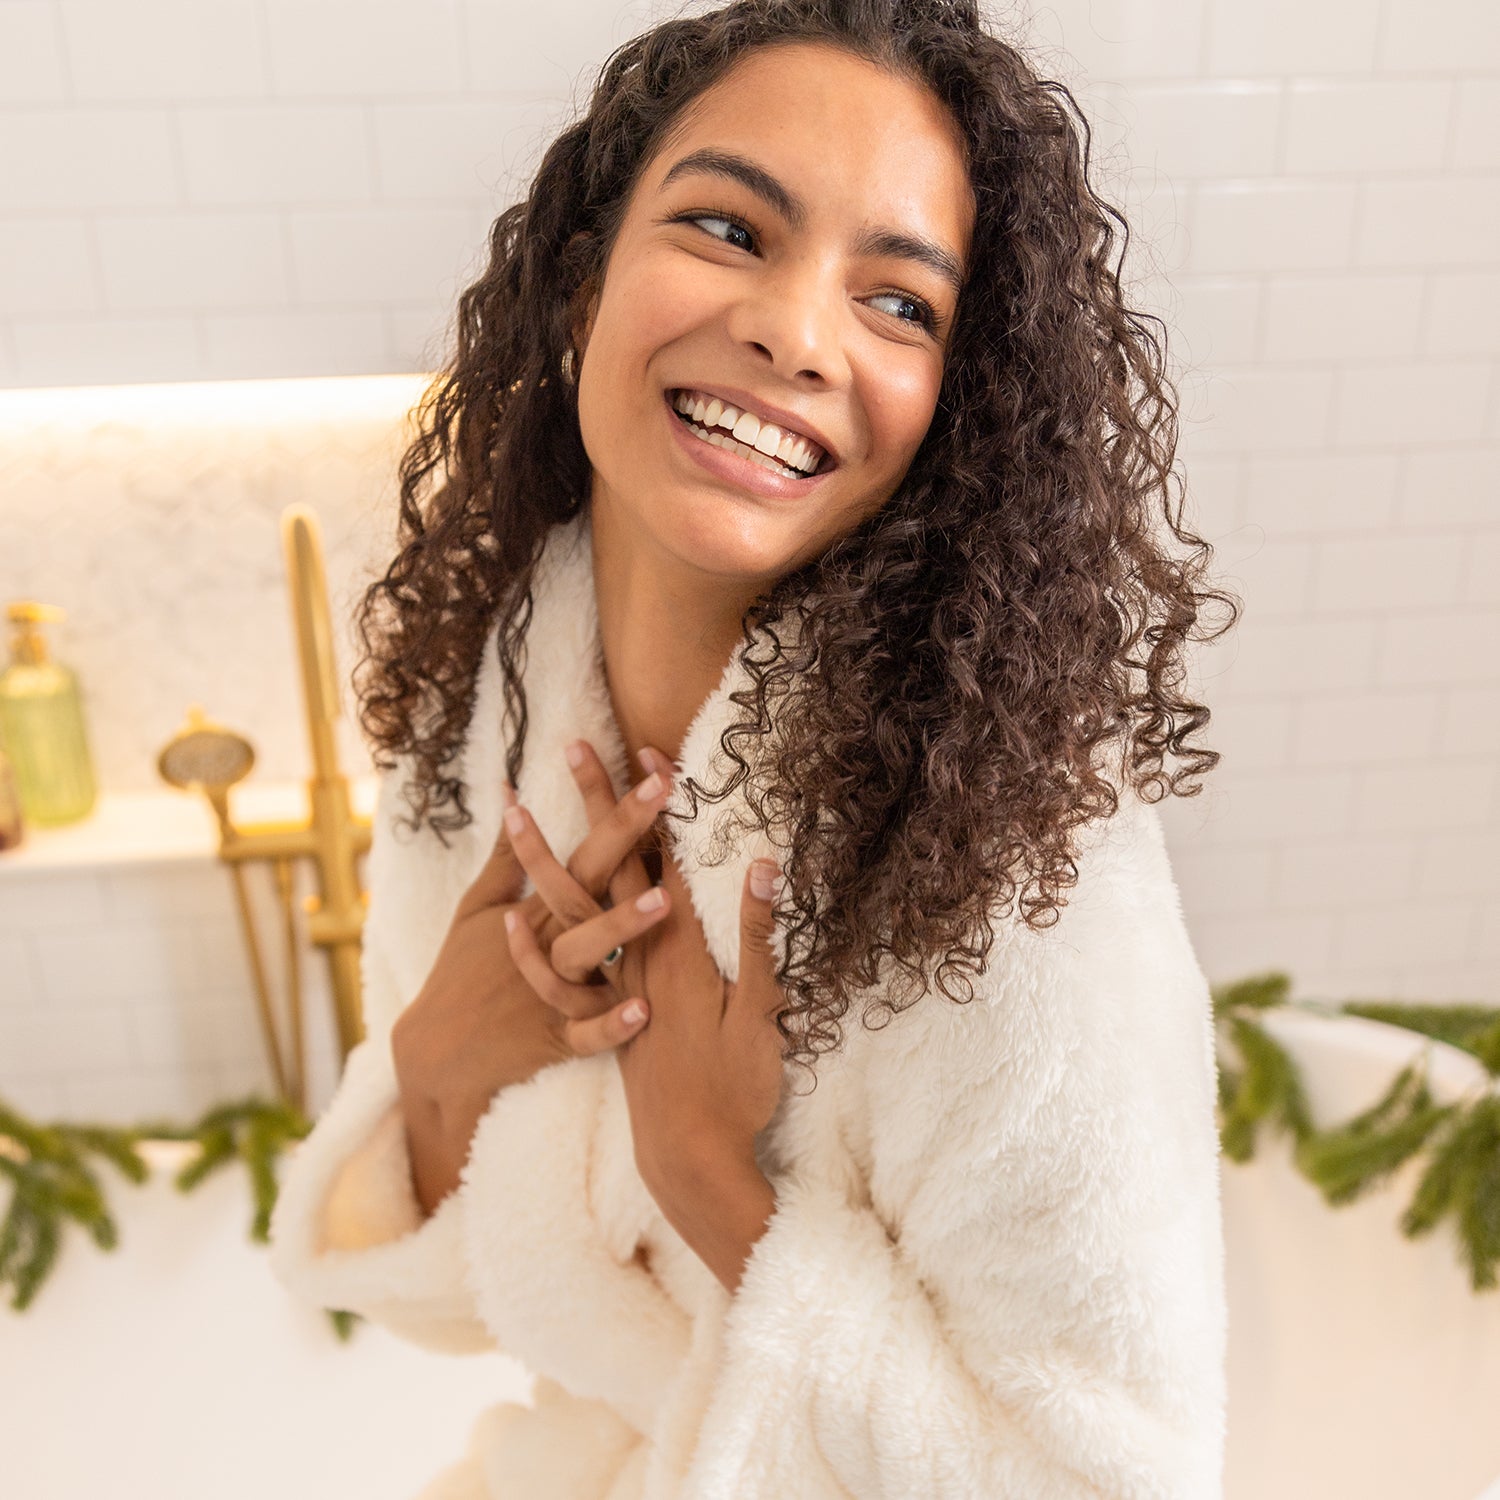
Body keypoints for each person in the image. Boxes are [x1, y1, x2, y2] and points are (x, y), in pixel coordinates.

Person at [268, 1, 1243, 1495]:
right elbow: (462, 1297)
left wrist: (716, 1181)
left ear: (952, 413)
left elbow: (1111, 1476)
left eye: (901, 304)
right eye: (728, 227)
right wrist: (440, 1068)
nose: (795, 330)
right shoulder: (500, 699)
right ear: (585, 274)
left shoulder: (1017, 863)